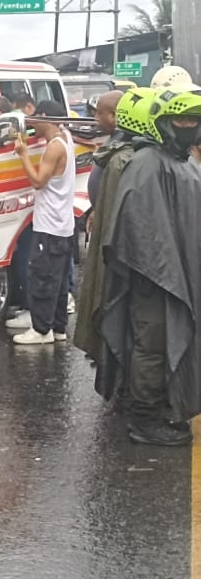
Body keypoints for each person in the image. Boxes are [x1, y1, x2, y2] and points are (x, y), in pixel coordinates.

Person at [97, 85, 201, 446]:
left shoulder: (182, 161)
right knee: (152, 345)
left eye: (193, 120)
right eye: (181, 119)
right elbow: (138, 227)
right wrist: (165, 274)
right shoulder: (146, 163)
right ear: (164, 123)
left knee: (166, 341)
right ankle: (144, 419)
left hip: (178, 273)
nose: (188, 126)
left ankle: (158, 407)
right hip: (155, 277)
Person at [74, 89, 149, 367]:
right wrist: (96, 209)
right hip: (104, 220)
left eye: (99, 113)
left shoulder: (128, 151)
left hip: (116, 235)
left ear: (116, 116)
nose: (95, 118)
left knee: (112, 294)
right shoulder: (115, 142)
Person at [12, 100, 76, 345]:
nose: (32, 123)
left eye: (36, 117)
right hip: (63, 224)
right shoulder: (65, 138)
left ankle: (41, 330)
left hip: (49, 225)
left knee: (42, 277)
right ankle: (58, 328)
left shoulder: (54, 147)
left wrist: (23, 154)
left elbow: (38, 181)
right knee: (58, 282)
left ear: (46, 117)